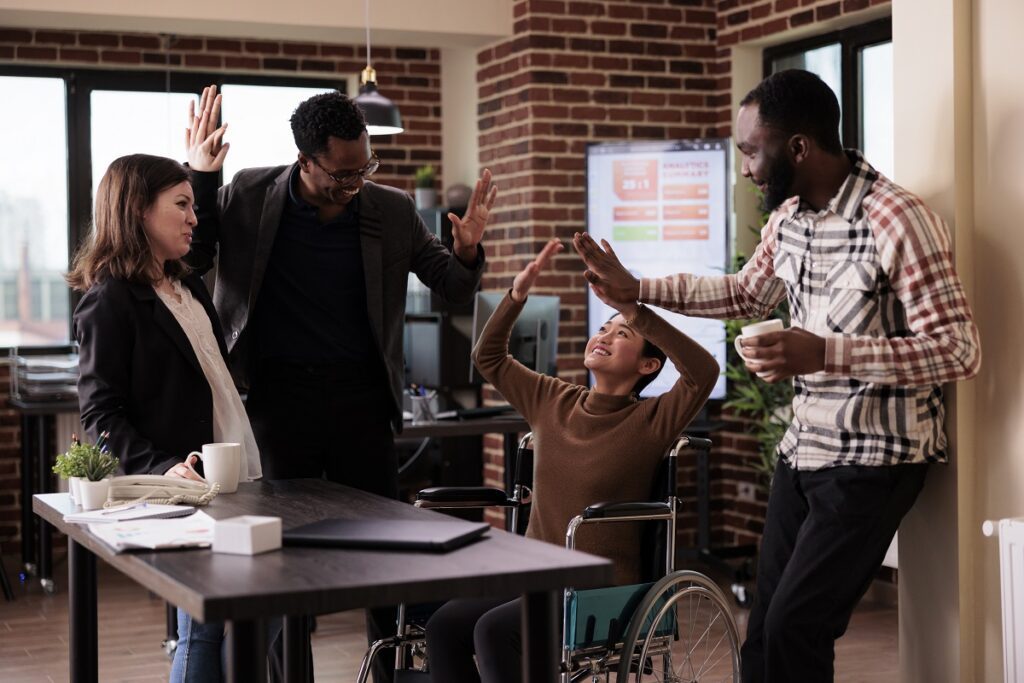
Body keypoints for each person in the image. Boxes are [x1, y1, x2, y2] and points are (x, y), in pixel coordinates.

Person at [574, 69, 982, 683]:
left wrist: (824, 355)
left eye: (749, 149)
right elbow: (744, 293)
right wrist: (638, 290)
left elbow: (959, 350)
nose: (744, 168)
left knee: (797, 625)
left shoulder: (898, 219)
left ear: (797, 147)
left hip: (877, 457)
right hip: (802, 451)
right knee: (764, 629)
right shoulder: (789, 217)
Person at [183, 85, 494, 682]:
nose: (355, 182)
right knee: (281, 561)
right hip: (276, 402)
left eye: (365, 166)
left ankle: (392, 672)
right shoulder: (249, 193)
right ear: (305, 159)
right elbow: (195, 257)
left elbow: (452, 289)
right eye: (342, 173)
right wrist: (201, 176)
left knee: (383, 557)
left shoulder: (391, 209)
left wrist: (469, 252)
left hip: (361, 403)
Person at [423, 239, 720, 683]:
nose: (605, 336)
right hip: (534, 576)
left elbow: (704, 372)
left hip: (597, 589)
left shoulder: (653, 419)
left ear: (647, 366)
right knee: (443, 627)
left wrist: (634, 309)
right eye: (603, 329)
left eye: (623, 335)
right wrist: (516, 296)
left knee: (494, 632)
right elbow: (487, 357)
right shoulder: (552, 398)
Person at [70, 154, 263, 683]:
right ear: (138, 211)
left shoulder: (189, 285)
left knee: (262, 613)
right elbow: (100, 413)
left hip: (238, 473)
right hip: (185, 488)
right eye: (181, 205)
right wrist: (163, 468)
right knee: (204, 628)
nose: (194, 218)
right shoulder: (109, 299)